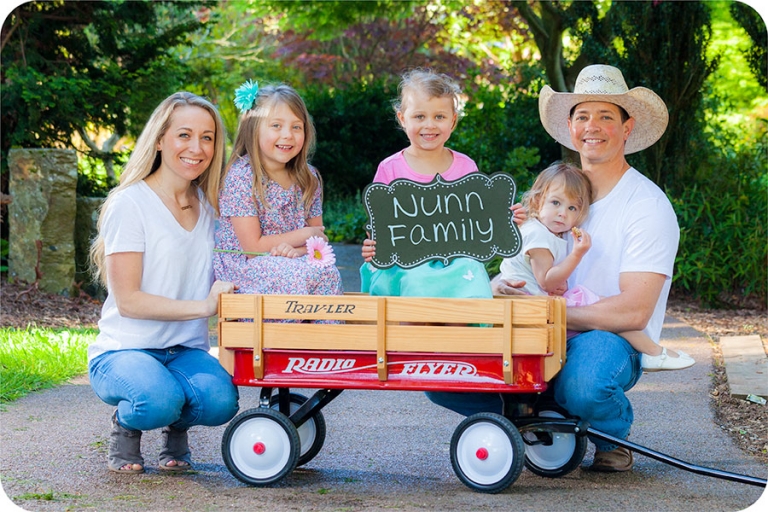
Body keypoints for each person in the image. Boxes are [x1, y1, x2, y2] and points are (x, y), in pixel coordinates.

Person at [429, 64, 681, 473]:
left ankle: (609, 434)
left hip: (606, 337)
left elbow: (634, 312)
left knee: (585, 382)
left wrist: (542, 308)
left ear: (628, 127)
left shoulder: (646, 206)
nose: (592, 126)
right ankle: (542, 419)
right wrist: (501, 285)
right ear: (570, 125)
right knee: (444, 376)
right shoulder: (559, 194)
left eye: (606, 116)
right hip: (539, 328)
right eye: (583, 116)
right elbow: (526, 264)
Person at [88, 92, 240, 474]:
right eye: (184, 135)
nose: (197, 147)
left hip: (184, 349)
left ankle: (175, 433)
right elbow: (130, 302)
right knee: (157, 399)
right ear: (159, 139)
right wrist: (204, 307)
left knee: (222, 401)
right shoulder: (130, 204)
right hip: (126, 350)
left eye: (207, 138)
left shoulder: (210, 208)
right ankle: (126, 427)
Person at [499, 161, 694, 371]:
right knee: (597, 306)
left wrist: (560, 283)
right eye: (555, 203)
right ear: (538, 201)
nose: (562, 213)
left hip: (534, 305)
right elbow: (546, 280)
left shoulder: (540, 230)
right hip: (533, 307)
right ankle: (653, 353)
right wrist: (577, 254)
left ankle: (651, 352)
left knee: (603, 309)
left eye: (572, 207)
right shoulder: (538, 234)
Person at [360, 69, 494, 299]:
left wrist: (503, 219)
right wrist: (373, 245)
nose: (429, 125)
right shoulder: (390, 168)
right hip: (405, 263)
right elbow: (380, 224)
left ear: (453, 121)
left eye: (439, 117)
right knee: (416, 280)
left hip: (456, 263)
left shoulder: (466, 167)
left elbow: (479, 220)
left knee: (471, 278)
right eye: (419, 116)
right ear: (402, 119)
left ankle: (461, 331)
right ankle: (411, 334)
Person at [213, 81, 342, 298]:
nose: (288, 135)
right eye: (276, 126)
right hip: (247, 268)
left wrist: (297, 251)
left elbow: (319, 242)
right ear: (253, 129)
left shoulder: (308, 178)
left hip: (294, 261)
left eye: (296, 126)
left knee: (328, 272)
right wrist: (305, 234)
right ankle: (284, 330)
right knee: (299, 276)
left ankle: (325, 332)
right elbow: (253, 247)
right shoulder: (241, 177)